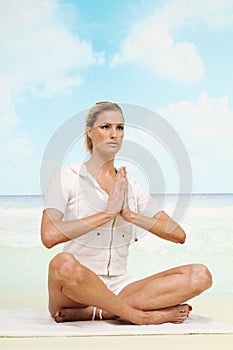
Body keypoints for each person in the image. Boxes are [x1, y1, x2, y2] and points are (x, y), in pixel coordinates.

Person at [41, 101, 212, 325]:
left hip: (121, 287)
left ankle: (103, 312)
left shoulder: (131, 185)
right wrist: (107, 213)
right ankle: (138, 316)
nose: (114, 134)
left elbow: (177, 234)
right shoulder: (67, 176)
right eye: (105, 127)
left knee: (200, 276)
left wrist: (130, 215)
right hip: (75, 289)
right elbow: (49, 236)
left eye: (120, 128)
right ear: (90, 132)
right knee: (61, 264)